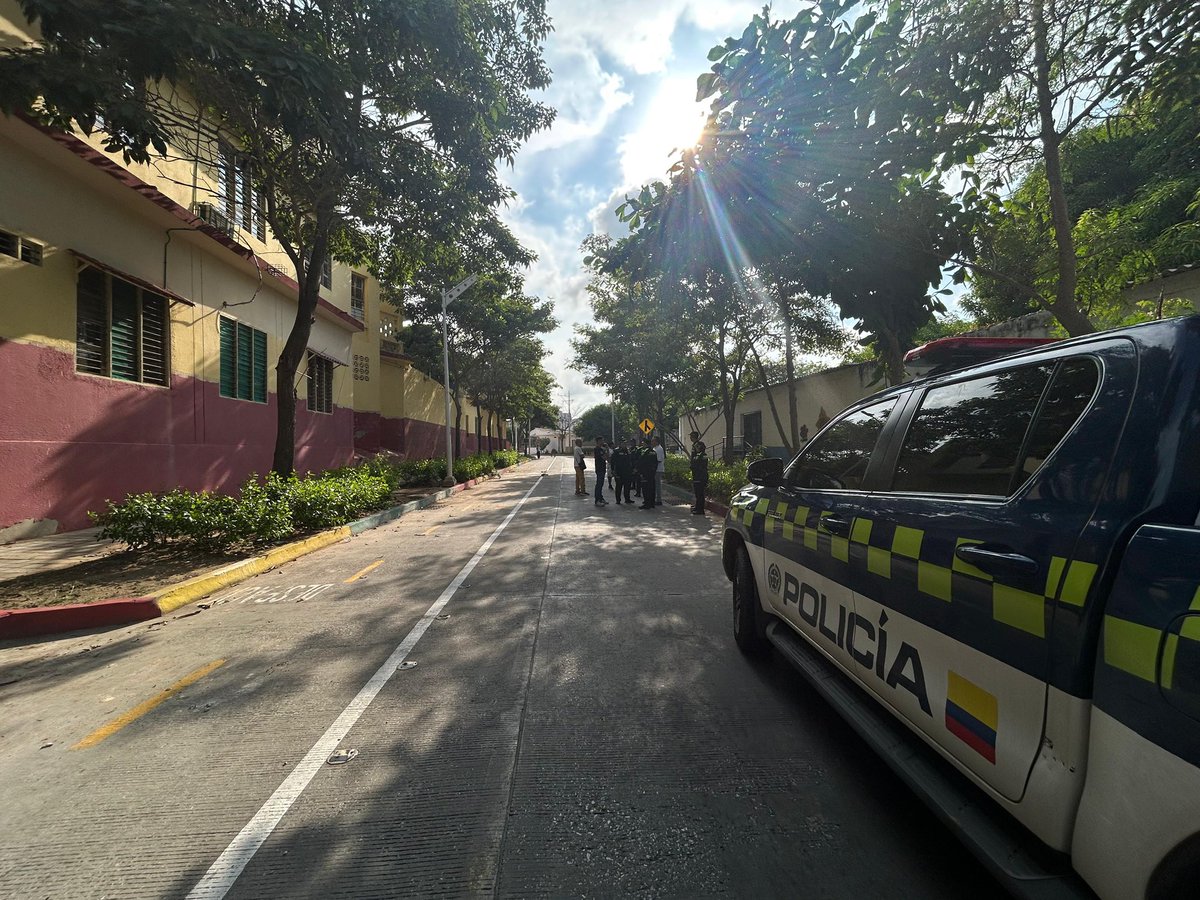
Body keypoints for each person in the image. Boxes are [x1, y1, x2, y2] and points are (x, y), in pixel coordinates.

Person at [688, 430, 709, 515]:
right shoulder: (698, 455)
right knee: (697, 492)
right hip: (697, 475)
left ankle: (700, 510)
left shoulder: (702, 456)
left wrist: (693, 467)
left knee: (700, 493)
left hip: (700, 476)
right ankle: (697, 507)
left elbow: (699, 466)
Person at [637, 436, 658, 509]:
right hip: (652, 473)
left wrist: (639, 471)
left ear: (646, 444)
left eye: (643, 444)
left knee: (645, 489)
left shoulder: (645, 452)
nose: (642, 445)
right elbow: (656, 463)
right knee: (652, 488)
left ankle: (647, 503)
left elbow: (641, 462)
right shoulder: (654, 452)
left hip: (645, 473)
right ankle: (652, 503)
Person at [612, 439, 634, 504]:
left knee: (627, 486)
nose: (624, 444)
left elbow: (631, 461)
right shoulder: (616, 451)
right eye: (623, 443)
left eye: (625, 443)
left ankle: (627, 499)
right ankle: (618, 500)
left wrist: (632, 469)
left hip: (627, 471)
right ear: (620, 444)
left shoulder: (628, 451)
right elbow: (613, 461)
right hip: (619, 472)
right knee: (619, 486)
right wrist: (613, 470)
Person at [593, 437, 609, 506]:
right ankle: (597, 500)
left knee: (601, 484)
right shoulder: (597, 449)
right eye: (602, 440)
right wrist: (606, 454)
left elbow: (607, 458)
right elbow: (604, 457)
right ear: (598, 441)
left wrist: (607, 449)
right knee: (599, 484)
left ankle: (601, 498)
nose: (603, 442)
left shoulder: (602, 449)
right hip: (599, 468)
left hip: (603, 468)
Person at [652, 435, 665, 506]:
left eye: (653, 440)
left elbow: (659, 460)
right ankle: (655, 498)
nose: (652, 442)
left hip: (658, 469)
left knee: (657, 485)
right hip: (655, 469)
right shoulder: (655, 448)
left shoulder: (659, 449)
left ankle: (659, 500)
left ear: (656, 441)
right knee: (655, 484)